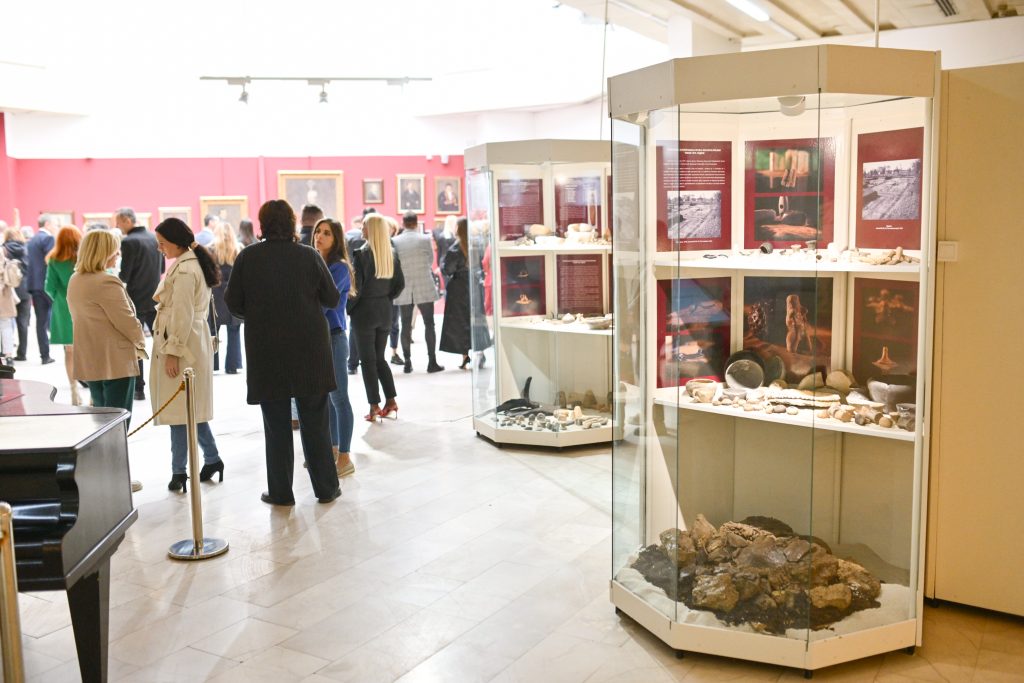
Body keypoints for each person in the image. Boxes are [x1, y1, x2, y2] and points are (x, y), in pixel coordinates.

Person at [224, 200, 341, 505]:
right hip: (310, 349)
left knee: (276, 426)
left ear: (263, 223)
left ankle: (281, 492)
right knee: (316, 423)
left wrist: (259, 313)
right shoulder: (309, 255)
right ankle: (326, 488)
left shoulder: (248, 257)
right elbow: (331, 297)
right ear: (292, 222)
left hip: (267, 349)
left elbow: (233, 303)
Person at [152, 218, 224, 493]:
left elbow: (182, 314)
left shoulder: (184, 270)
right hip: (192, 342)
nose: (160, 248)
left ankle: (179, 471)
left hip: (183, 346)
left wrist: (172, 352)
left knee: (179, 411)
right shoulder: (191, 263)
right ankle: (212, 459)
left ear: (176, 242)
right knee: (190, 408)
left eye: (162, 243)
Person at [66, 230, 146, 423]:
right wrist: (141, 342)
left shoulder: (75, 279)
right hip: (114, 359)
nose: (118, 254)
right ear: (103, 252)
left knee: (101, 419)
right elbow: (126, 321)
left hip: (90, 356)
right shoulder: (106, 281)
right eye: (114, 250)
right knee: (117, 421)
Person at [348, 213, 404, 421]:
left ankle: (374, 405)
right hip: (385, 310)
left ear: (371, 230)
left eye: (364, 225)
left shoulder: (361, 255)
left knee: (367, 361)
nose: (361, 228)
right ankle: (391, 400)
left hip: (364, 312)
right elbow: (399, 286)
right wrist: (385, 298)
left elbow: (357, 289)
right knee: (379, 358)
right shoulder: (392, 254)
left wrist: (348, 309)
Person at [312, 218, 355, 477]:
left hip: (335, 337)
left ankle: (345, 457)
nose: (320, 236)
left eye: (327, 233)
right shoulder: (316, 262)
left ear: (336, 239)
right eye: (318, 231)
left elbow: (323, 302)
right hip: (319, 338)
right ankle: (332, 449)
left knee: (339, 398)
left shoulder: (339, 268)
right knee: (327, 397)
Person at [115, 207, 163, 401]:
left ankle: (138, 388)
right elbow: (161, 269)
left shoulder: (129, 242)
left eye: (119, 222)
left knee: (136, 346)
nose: (117, 226)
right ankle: (163, 384)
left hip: (135, 300)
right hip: (155, 298)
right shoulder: (153, 238)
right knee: (162, 343)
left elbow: (125, 275)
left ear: (127, 220)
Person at [393, 212, 443, 374]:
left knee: (405, 325)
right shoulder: (424, 239)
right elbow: (430, 260)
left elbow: (395, 263)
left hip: (404, 286)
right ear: (416, 223)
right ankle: (432, 362)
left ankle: (407, 362)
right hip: (424, 283)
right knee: (429, 324)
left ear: (403, 223)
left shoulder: (396, 241)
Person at [440, 218, 492, 369]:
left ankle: (465, 356)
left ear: (458, 229)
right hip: (474, 286)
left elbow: (448, 270)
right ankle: (480, 352)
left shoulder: (455, 249)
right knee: (477, 319)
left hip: (458, 289)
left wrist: (443, 265)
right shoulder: (476, 245)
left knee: (460, 323)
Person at [44, 226, 83, 404]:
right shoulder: (83, 257)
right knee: (89, 349)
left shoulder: (54, 259)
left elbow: (49, 287)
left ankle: (74, 391)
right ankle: (93, 392)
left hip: (63, 307)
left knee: (69, 351)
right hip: (85, 304)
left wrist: (60, 298)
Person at [211, 221, 243, 374]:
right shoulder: (238, 249)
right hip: (233, 293)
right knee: (234, 331)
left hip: (215, 294)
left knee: (213, 330)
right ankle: (232, 365)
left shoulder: (210, 250)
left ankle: (212, 364)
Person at [26, 214, 56, 364]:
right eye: (54, 224)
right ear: (48, 223)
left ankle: (44, 355)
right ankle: (68, 348)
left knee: (40, 322)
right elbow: (51, 261)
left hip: (34, 285)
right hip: (47, 284)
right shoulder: (48, 238)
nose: (55, 227)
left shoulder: (31, 240)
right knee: (60, 315)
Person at [2, 228, 30, 361]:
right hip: (24, 288)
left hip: (9, 289)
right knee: (23, 322)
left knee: (6, 321)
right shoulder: (26, 248)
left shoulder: (3, 249)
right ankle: (22, 353)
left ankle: (6, 351)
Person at [385, 216, 404, 367]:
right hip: (383, 289)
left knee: (394, 323)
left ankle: (393, 352)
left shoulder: (396, 244)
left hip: (392, 289)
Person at [0, 247, 19, 365]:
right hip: (4, 296)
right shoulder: (3, 255)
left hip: (4, 294)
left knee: (6, 326)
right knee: (6, 326)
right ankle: (8, 356)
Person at [433, 215, 458, 292]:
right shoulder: (454, 237)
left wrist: (439, 265)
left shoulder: (441, 236)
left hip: (444, 263)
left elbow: (439, 253)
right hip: (451, 263)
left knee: (448, 286)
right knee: (451, 287)